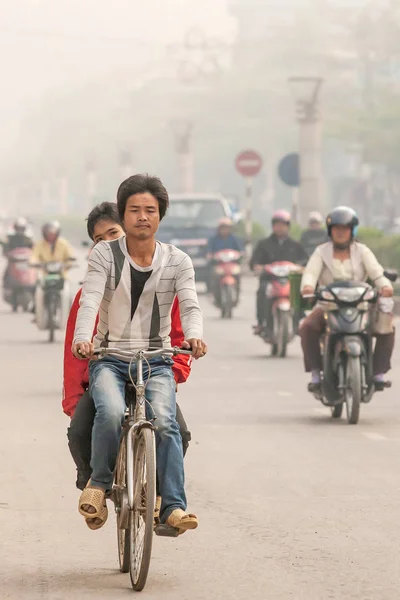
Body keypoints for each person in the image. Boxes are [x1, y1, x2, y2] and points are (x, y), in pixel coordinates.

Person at [72, 174, 207, 533]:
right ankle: (99, 484)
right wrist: (83, 338)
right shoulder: (104, 255)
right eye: (134, 210)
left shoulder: (178, 261)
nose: (142, 217)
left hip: (157, 362)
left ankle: (173, 507)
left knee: (166, 422)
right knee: (111, 412)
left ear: (160, 215)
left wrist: (195, 336)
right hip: (109, 360)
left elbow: (190, 305)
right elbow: (89, 301)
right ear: (124, 214)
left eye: (150, 210)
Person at [63, 202, 192, 491]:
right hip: (105, 372)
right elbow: (73, 354)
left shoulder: (162, 281)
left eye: (113, 233)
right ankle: (94, 487)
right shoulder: (89, 293)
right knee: (80, 430)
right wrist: (73, 400)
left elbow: (179, 337)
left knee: (177, 432)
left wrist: (175, 374)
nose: (108, 244)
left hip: (151, 372)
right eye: (99, 239)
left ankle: (159, 495)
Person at [300, 206, 394, 392]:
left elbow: (376, 272)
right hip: (328, 305)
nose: (340, 233)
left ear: (352, 231)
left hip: (361, 304)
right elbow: (311, 273)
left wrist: (385, 285)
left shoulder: (363, 251)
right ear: (330, 231)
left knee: (386, 326)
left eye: (345, 229)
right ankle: (316, 372)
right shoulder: (321, 252)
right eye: (336, 229)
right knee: (307, 327)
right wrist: (308, 287)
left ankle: (378, 373)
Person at [250, 210, 308, 335]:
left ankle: (299, 320)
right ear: (273, 226)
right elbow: (254, 262)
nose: (280, 228)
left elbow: (305, 260)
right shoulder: (264, 244)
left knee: (299, 290)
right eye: (277, 225)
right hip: (270, 279)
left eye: (283, 225)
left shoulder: (295, 245)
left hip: (290, 279)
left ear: (288, 227)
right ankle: (261, 322)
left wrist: (301, 266)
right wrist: (258, 267)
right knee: (262, 290)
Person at [207, 217, 243, 303]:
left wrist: (241, 254)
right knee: (213, 275)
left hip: (231, 265)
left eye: (226, 228)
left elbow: (240, 250)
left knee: (238, 274)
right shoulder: (213, 239)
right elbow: (209, 251)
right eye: (223, 228)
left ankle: (237, 293)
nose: (224, 230)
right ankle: (213, 293)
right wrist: (210, 256)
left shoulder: (234, 239)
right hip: (219, 265)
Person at [2, 217, 34, 288]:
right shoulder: (10, 238)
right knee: (7, 272)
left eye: (21, 228)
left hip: (25, 262)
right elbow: (5, 247)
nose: (20, 230)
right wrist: (7, 254)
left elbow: (33, 249)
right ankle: (6, 287)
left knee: (33, 272)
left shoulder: (28, 239)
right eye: (18, 228)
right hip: (13, 262)